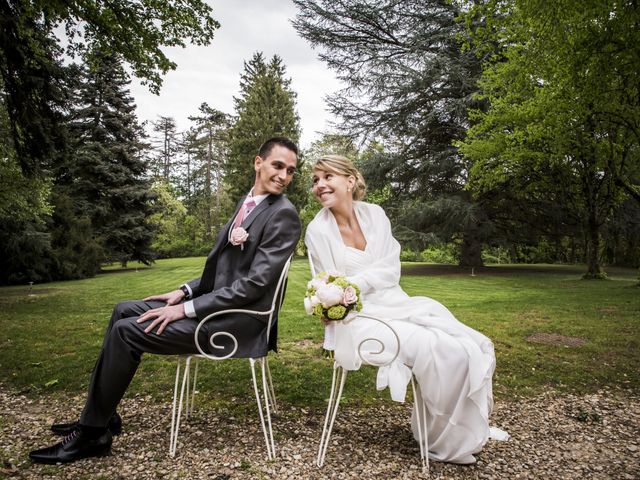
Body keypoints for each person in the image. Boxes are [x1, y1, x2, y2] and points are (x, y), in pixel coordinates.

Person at [29, 137, 302, 464]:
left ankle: (92, 435)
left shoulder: (283, 214)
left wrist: (183, 310)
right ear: (258, 162)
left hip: (237, 322)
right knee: (123, 311)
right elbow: (224, 272)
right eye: (278, 166)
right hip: (218, 308)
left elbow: (253, 285)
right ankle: (103, 414)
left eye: (291, 171)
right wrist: (184, 292)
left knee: (126, 331)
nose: (284, 175)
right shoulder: (249, 204)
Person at [305, 155, 507, 464]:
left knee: (465, 345)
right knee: (438, 348)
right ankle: (442, 441)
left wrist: (355, 284)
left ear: (350, 180)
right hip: (359, 321)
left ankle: (448, 433)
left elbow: (390, 270)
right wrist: (346, 292)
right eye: (315, 180)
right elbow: (328, 285)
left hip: (396, 303)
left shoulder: (376, 215)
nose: (319, 185)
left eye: (326, 176)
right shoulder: (317, 231)